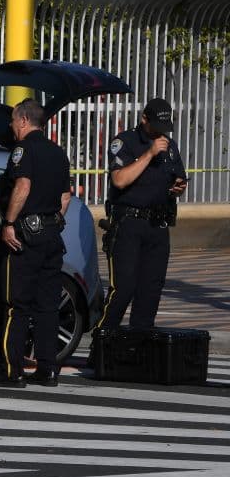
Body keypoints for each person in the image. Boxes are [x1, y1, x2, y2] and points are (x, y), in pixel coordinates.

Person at [0, 98, 71, 388]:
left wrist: (9, 223)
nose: (10, 126)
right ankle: (48, 370)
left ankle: (12, 370)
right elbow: (65, 196)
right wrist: (53, 221)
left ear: (23, 120)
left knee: (16, 305)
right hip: (50, 236)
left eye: (12, 120)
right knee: (47, 307)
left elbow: (22, 185)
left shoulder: (23, 150)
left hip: (24, 238)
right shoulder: (57, 152)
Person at [95, 98, 188, 332]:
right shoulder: (125, 142)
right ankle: (103, 342)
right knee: (124, 288)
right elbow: (119, 179)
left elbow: (177, 177)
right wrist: (149, 153)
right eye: (156, 125)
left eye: (164, 127)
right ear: (144, 119)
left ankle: (140, 348)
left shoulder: (170, 145)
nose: (160, 132)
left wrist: (178, 187)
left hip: (158, 224)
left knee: (151, 289)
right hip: (129, 223)